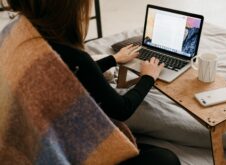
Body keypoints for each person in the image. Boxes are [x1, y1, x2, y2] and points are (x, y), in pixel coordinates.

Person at [2, 0, 181, 164]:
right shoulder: (75, 57)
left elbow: (70, 73)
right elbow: (122, 109)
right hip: (67, 150)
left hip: (19, 136)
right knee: (166, 159)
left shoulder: (15, 31)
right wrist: (148, 77)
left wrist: (113, 59)